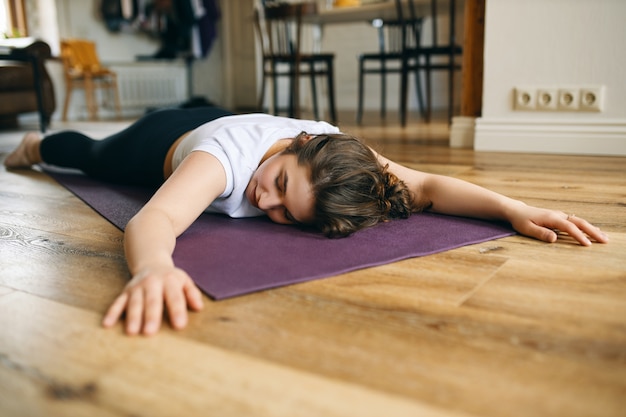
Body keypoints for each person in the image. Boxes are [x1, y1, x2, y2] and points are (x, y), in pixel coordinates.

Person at [4, 107, 609, 336]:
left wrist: (516, 209)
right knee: (88, 154)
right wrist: (153, 270)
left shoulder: (338, 157)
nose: (264, 205)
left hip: (222, 119)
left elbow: (422, 186)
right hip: (163, 139)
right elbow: (155, 217)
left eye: (284, 215)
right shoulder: (227, 162)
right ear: (297, 142)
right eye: (280, 186)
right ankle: (36, 143)